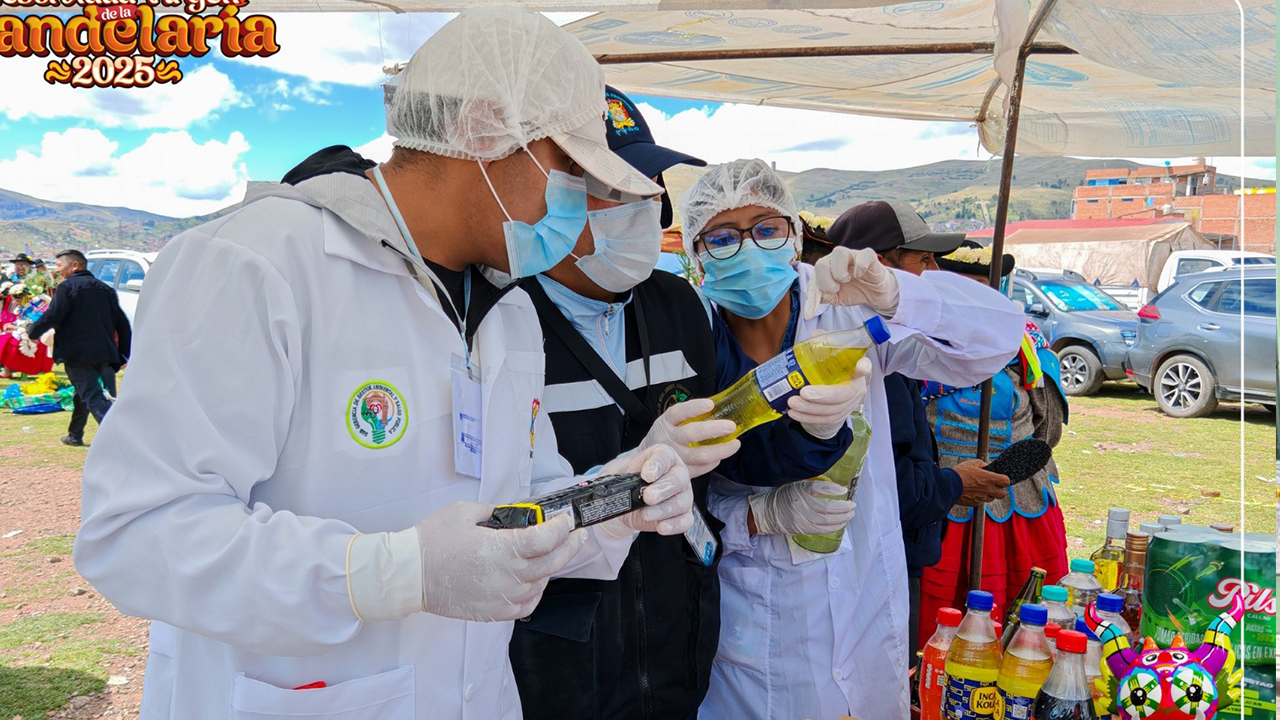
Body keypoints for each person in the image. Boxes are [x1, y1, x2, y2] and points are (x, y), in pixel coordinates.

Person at [72, 10, 702, 719]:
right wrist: (395, 572)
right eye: (571, 171)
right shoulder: (257, 265)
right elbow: (139, 534)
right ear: (485, 129)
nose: (583, 212)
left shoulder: (508, 312)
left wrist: (612, 502)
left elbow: (522, 508)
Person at [506, 88, 862, 720]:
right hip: (555, 658)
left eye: (648, 187)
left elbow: (735, 450)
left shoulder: (677, 309)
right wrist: (628, 485)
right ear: (547, 195)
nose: (644, 204)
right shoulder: (502, 323)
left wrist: (818, 432)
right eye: (613, 187)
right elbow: (496, 515)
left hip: (677, 642)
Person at [685, 159, 1027, 720]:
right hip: (754, 622)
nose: (749, 248)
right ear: (697, 253)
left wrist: (894, 293)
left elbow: (994, 341)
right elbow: (681, 481)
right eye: (722, 237)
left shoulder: (844, 311)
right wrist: (754, 516)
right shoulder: (691, 333)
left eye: (767, 228)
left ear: (794, 233)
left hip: (866, 596)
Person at [809, 201, 1014, 662]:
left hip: (895, 549)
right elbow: (884, 481)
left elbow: (996, 331)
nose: (935, 272)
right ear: (879, 264)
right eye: (923, 259)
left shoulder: (893, 342)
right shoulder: (857, 352)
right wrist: (955, 483)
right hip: (873, 556)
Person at [917, 241, 1071, 646]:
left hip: (1013, 499)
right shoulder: (912, 341)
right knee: (936, 621)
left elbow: (1047, 429)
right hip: (938, 496)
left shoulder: (1025, 345)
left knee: (1016, 613)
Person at [28, 250, 128, 446]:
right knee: (84, 392)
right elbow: (122, 324)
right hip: (103, 353)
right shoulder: (106, 289)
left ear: (74, 265)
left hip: (76, 353)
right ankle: (75, 435)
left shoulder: (67, 287)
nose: (57, 270)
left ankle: (121, 440)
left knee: (91, 394)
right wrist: (123, 353)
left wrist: (32, 331)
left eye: (59, 265)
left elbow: (53, 315)